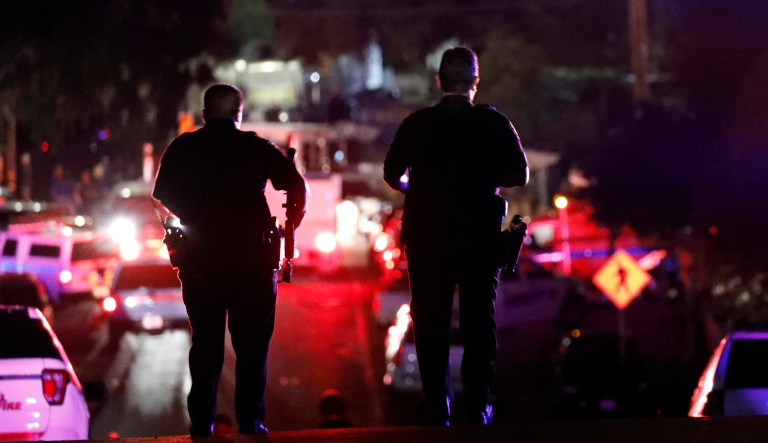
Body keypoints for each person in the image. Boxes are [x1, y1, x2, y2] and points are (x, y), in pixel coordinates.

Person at [383, 47, 529, 426]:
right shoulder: (493, 123)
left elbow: (392, 173)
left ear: (439, 81)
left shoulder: (417, 124)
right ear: (475, 83)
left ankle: (437, 406)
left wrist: (417, 188)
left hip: (428, 236)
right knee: (478, 323)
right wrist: (482, 180)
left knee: (429, 321)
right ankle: (478, 404)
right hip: (477, 236)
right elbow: (519, 175)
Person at [152, 84, 308, 436]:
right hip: (253, 260)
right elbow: (296, 189)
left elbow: (161, 195)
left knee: (205, 343)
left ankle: (202, 425)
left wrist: (194, 215)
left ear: (204, 113)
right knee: (252, 347)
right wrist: (290, 225)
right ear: (240, 112)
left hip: (201, 261)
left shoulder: (184, 147)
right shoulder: (255, 147)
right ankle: (251, 423)